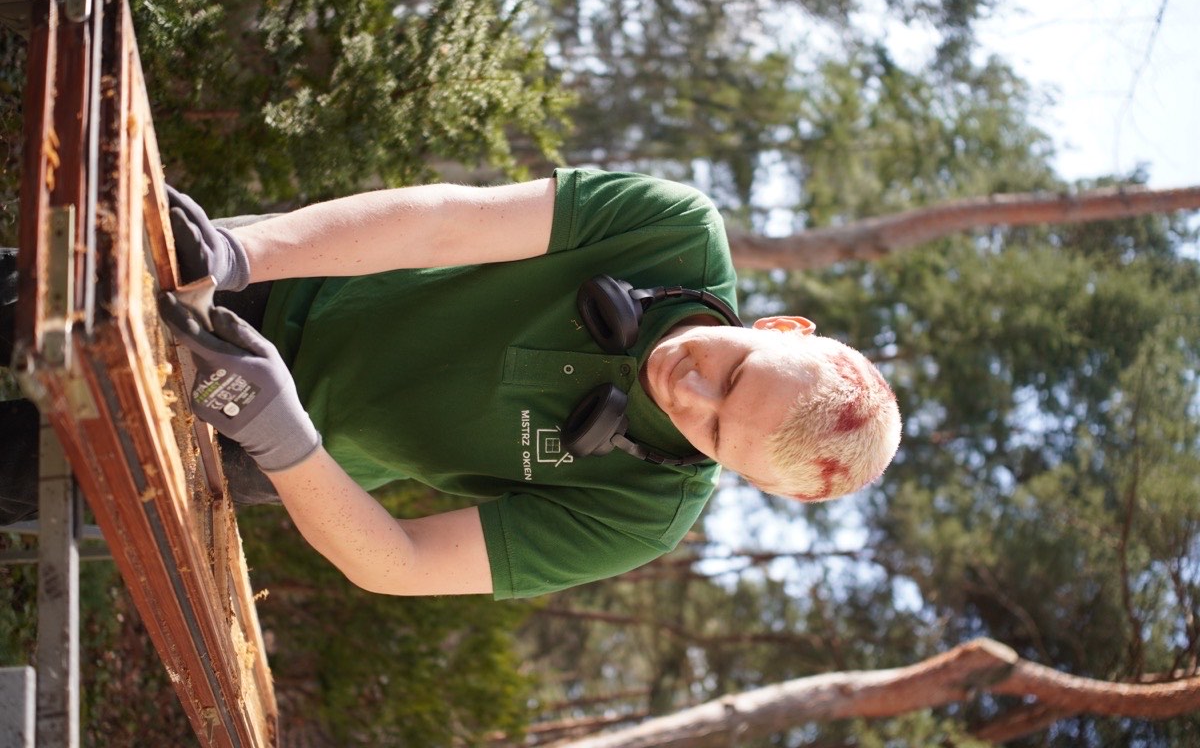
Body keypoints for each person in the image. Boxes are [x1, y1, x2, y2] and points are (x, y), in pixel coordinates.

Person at [3, 169, 901, 599]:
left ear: (730, 472)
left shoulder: (641, 514)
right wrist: (238, 253)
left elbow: (401, 561)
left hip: (265, 443)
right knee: (20, 301)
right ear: (783, 328)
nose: (687, 391)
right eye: (733, 371)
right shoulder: (671, 230)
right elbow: (439, 223)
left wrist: (274, 431)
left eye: (713, 434)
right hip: (268, 282)